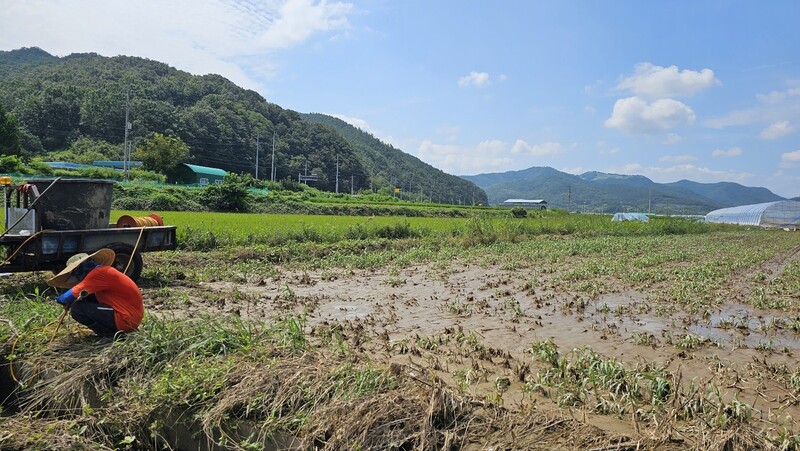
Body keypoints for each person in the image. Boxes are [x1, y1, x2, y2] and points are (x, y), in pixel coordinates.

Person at [47, 248, 143, 337]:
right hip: (131, 317)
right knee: (87, 297)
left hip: (125, 319)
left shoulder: (97, 274)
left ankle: (109, 334)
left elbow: (65, 298)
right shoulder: (104, 271)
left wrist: (61, 300)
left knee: (78, 309)